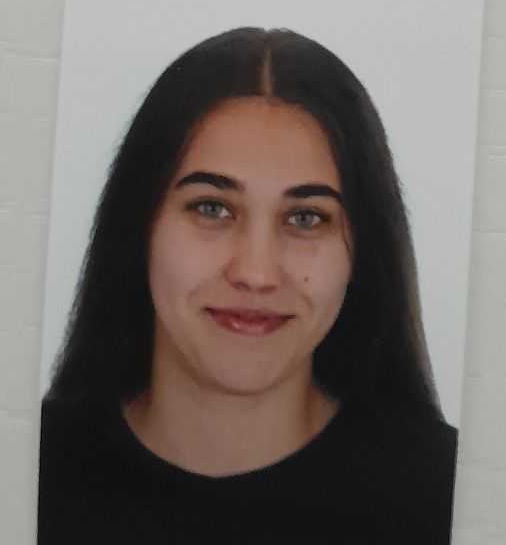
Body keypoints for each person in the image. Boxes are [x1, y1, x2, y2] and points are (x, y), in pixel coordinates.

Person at [37, 27, 458, 544]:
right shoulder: (14, 469)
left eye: (305, 217)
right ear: (139, 226)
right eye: (212, 208)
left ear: (361, 253)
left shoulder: (454, 495)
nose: (257, 274)